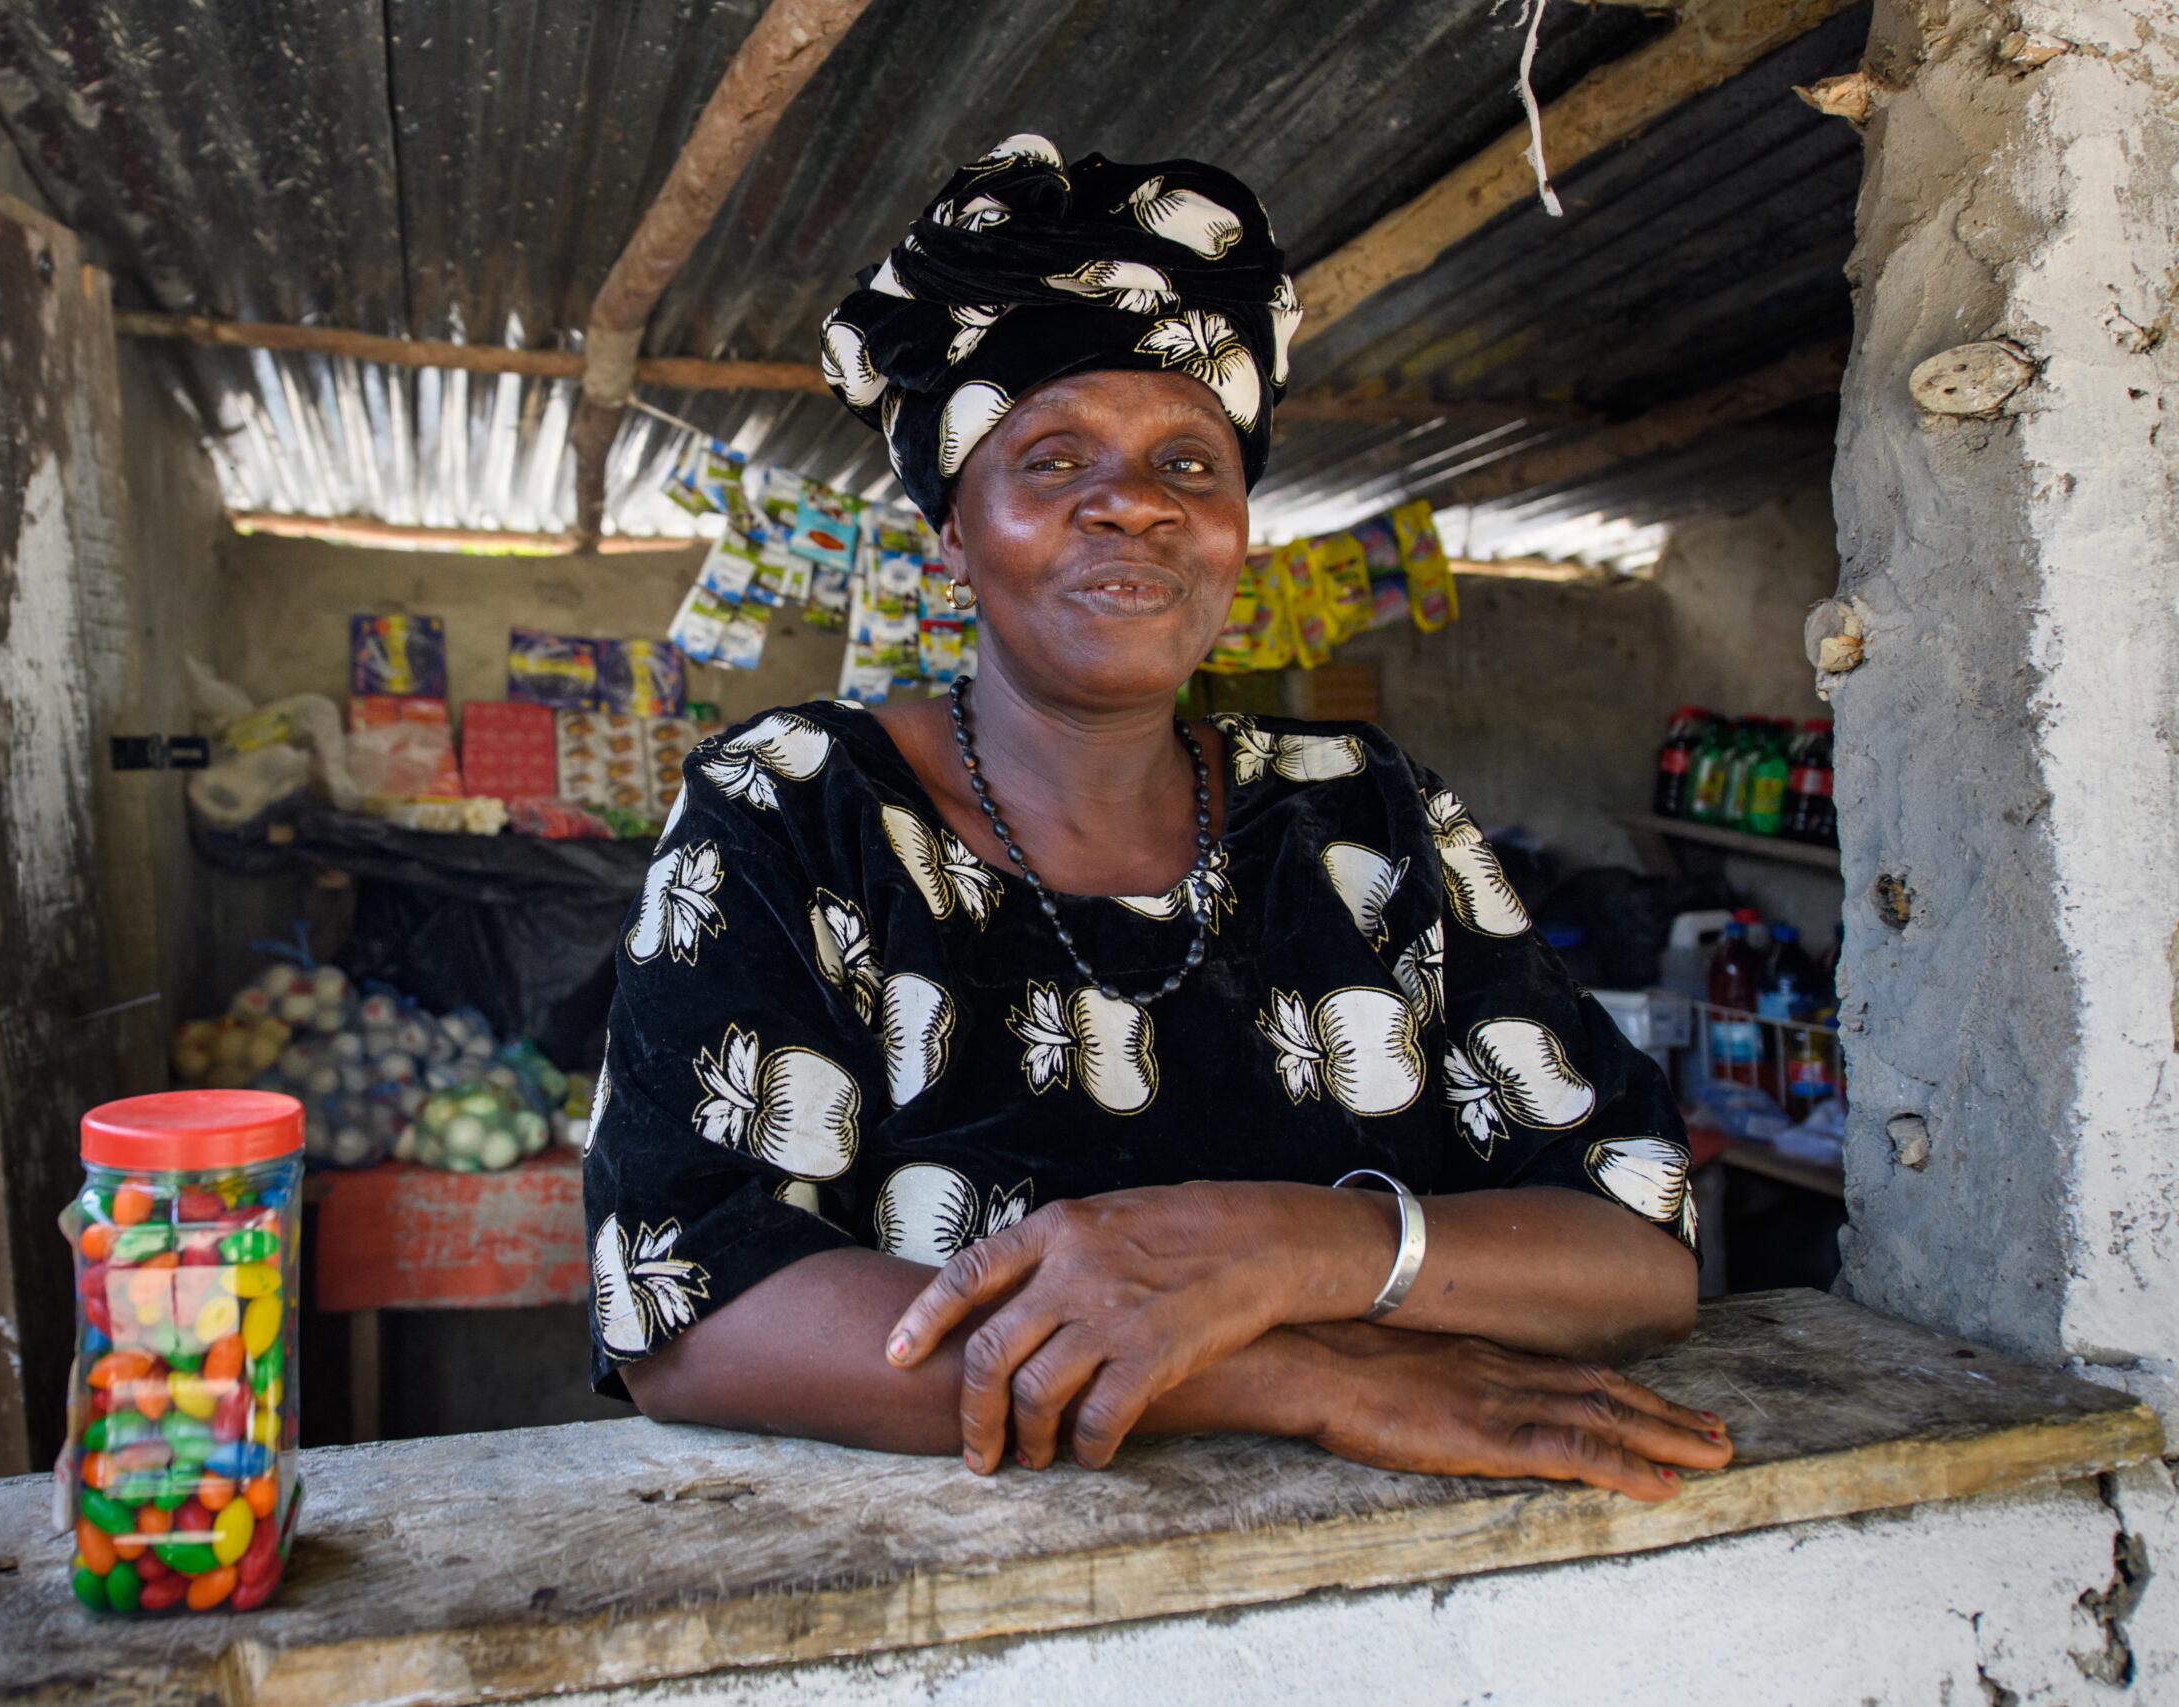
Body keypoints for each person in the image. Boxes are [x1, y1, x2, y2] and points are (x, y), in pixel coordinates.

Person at [583, 137, 1729, 1500]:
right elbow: (690, 1305)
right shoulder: (791, 809)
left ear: (1241, 525)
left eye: (1190, 464)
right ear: (952, 534)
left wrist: (1277, 1252)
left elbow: (1636, 1244)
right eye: (1052, 457)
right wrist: (1290, 1373)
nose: (1130, 502)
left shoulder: (1367, 817)